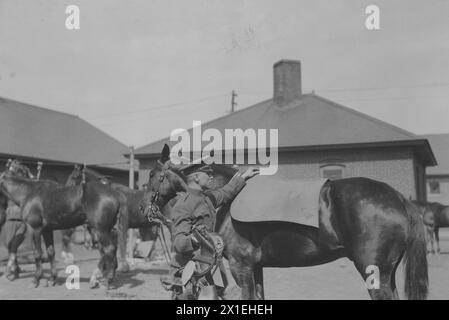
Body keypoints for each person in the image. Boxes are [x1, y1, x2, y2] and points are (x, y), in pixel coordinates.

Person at [166, 162, 259, 299]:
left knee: (219, 294)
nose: (211, 177)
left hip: (210, 265)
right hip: (189, 269)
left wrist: (244, 177)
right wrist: (195, 238)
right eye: (208, 174)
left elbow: (226, 192)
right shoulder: (183, 205)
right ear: (197, 177)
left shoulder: (207, 198)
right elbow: (178, 243)